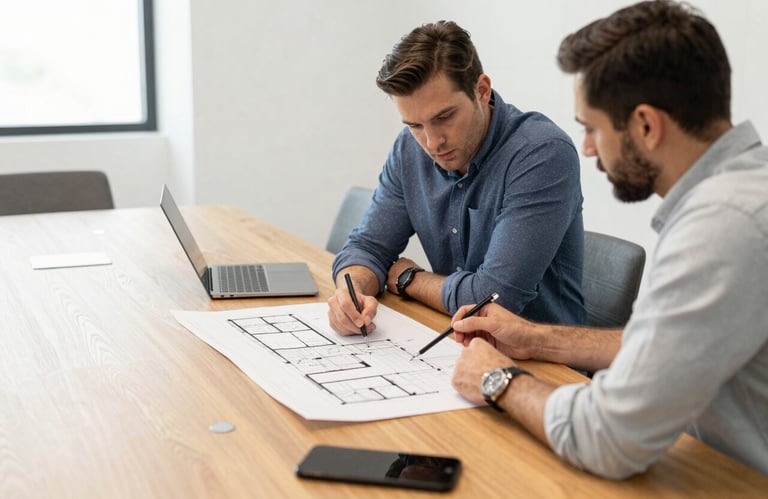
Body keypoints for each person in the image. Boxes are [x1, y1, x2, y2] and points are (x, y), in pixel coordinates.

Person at [450, 0, 768, 479]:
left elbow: (608, 438)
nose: (588, 147)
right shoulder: (743, 192)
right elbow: (666, 347)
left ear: (645, 124)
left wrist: (497, 379)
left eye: (592, 127)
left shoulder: (721, 227)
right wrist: (539, 338)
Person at [328, 21, 585, 337]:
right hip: (455, 342)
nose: (432, 142)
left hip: (547, 365)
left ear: (481, 90)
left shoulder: (542, 153)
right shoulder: (409, 148)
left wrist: (409, 278)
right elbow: (367, 248)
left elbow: (492, 301)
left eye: (444, 118)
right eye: (415, 125)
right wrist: (350, 293)